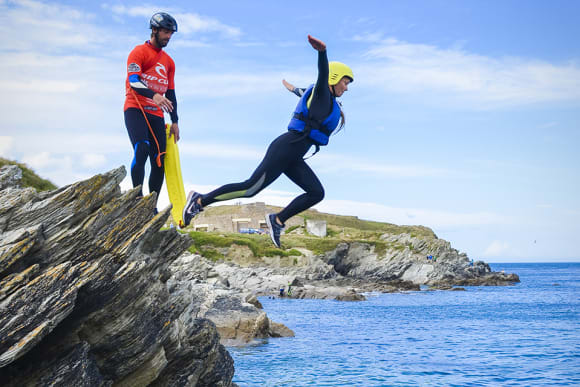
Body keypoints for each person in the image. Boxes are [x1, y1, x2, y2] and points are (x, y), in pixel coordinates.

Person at [183, 35, 353, 248]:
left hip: (295, 155)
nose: (346, 88)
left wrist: (292, 89)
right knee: (249, 189)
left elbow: (302, 92)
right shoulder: (322, 93)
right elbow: (321, 77)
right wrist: (322, 53)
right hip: (285, 147)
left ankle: (278, 220)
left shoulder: (328, 102)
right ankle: (200, 200)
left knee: (316, 193)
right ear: (334, 78)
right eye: (345, 82)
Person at [124, 12, 180, 213]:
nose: (168, 37)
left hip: (157, 114)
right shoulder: (138, 52)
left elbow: (171, 93)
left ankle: (151, 207)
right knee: (142, 149)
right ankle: (136, 199)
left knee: (159, 159)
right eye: (165, 32)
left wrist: (175, 121)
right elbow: (134, 81)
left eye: (171, 33)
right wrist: (154, 95)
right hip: (135, 108)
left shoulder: (169, 62)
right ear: (154, 30)